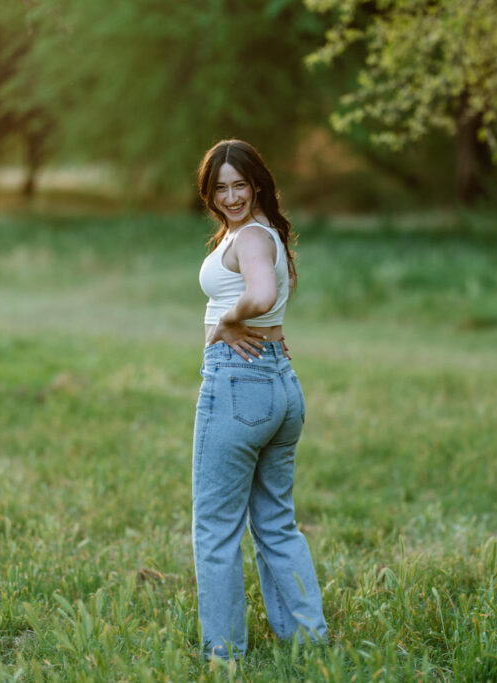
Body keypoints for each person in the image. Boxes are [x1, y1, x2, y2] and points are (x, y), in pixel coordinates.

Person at [191, 139, 328, 660]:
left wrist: (228, 321)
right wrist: (257, 325)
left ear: (257, 183)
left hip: (237, 387)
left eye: (239, 184)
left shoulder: (249, 236)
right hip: (278, 384)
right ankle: (308, 643)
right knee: (275, 522)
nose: (230, 196)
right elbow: (269, 298)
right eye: (219, 187)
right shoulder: (265, 232)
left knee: (216, 529)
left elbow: (262, 296)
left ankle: (223, 658)